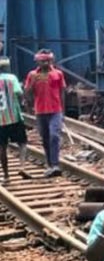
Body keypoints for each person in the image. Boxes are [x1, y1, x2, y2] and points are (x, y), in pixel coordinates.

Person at [23, 49, 66, 177]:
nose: (46, 63)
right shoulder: (32, 75)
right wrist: (32, 83)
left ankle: (55, 164)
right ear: (38, 62)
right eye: (43, 61)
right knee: (45, 138)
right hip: (40, 111)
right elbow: (27, 94)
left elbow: (62, 91)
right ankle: (50, 164)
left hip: (55, 110)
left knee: (54, 136)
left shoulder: (58, 74)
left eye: (48, 61)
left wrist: (63, 110)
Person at [0, 57, 29, 181]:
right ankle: (22, 166)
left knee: (2, 147)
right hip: (14, 117)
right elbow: (19, 93)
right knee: (22, 143)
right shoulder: (12, 78)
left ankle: (6, 175)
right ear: (7, 67)